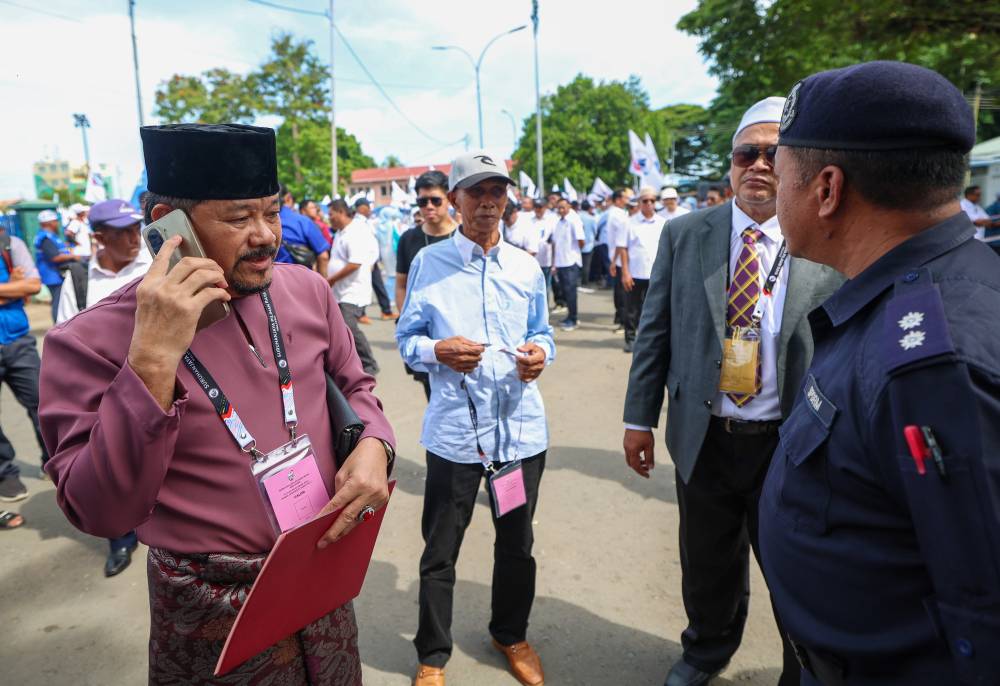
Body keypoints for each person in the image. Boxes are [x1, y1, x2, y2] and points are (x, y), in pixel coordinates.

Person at [39, 123, 395, 684]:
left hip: (318, 571)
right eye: (238, 218)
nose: (266, 236)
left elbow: (356, 385)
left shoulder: (307, 291)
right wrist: (152, 361)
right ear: (168, 226)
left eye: (272, 212)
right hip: (205, 606)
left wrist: (376, 444)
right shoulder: (87, 341)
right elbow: (99, 511)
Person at [760, 60, 1000, 686]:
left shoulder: (932, 362)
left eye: (780, 172)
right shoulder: (925, 295)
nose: (772, 189)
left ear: (827, 189)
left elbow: (984, 618)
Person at [622, 96, 843, 686]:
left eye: (775, 154)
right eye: (748, 152)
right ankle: (705, 649)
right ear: (731, 163)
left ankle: (802, 666)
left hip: (790, 441)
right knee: (707, 561)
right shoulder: (685, 233)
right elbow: (656, 332)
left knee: (795, 566)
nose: (759, 165)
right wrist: (638, 419)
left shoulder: (823, 237)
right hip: (707, 434)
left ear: (795, 166)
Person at [396, 151, 555, 686]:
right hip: (456, 436)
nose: (488, 202)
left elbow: (544, 334)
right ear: (456, 200)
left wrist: (539, 355)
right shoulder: (430, 262)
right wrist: (437, 350)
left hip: (518, 433)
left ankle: (510, 634)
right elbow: (406, 340)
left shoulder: (527, 267)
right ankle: (432, 654)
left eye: (497, 192)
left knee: (517, 544)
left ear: (507, 200)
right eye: (476, 192)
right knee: (441, 549)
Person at [55, 199, 151, 575]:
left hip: (160, 386)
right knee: (115, 466)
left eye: (134, 229)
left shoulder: (154, 266)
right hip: (107, 395)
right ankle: (121, 540)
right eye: (121, 232)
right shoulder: (79, 280)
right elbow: (65, 337)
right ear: (97, 237)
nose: (133, 238)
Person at [395, 170, 458, 400]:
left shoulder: (462, 237)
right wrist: (404, 317)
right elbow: (401, 283)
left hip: (456, 328)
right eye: (422, 201)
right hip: (422, 334)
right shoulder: (408, 239)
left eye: (435, 200)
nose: (428, 206)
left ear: (449, 199)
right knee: (432, 393)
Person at [0, 226, 47, 505]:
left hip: (18, 343)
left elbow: (33, 285)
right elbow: (22, 287)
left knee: (43, 404)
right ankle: (5, 473)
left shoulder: (9, 243)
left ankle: (53, 460)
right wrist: (11, 290)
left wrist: (19, 287)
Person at [328, 198, 380, 376]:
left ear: (341, 212)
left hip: (353, 291)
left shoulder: (354, 232)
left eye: (331, 214)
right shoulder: (342, 233)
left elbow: (354, 263)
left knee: (348, 327)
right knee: (342, 327)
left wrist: (331, 279)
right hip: (341, 292)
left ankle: (369, 364)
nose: (330, 218)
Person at [617, 187, 666, 353]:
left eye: (652, 200)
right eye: (645, 201)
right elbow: (623, 248)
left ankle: (650, 340)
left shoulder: (662, 222)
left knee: (654, 309)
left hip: (656, 274)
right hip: (635, 273)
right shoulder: (629, 222)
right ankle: (630, 339)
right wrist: (625, 272)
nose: (649, 204)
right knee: (631, 309)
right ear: (639, 203)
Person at [354, 198, 397, 320]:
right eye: (368, 207)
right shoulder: (357, 223)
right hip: (365, 261)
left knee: (378, 286)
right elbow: (362, 244)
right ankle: (360, 313)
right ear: (362, 208)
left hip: (372, 261)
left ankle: (386, 311)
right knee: (363, 287)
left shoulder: (368, 222)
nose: (370, 210)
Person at [34, 209, 79, 322]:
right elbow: (54, 257)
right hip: (52, 275)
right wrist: (73, 257)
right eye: (55, 221)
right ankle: (59, 327)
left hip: (56, 274)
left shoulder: (52, 235)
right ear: (49, 223)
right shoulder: (46, 237)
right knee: (58, 303)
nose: (57, 223)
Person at [274, 185, 330, 274]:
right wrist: (323, 283)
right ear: (288, 198)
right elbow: (323, 256)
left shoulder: (260, 222)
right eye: (312, 208)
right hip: (301, 278)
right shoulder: (302, 222)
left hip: (270, 281)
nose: (316, 210)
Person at [551, 197, 585, 331]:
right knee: (565, 292)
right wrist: (554, 263)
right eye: (559, 208)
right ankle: (569, 316)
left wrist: (574, 253)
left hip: (571, 262)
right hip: (561, 262)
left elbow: (581, 240)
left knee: (571, 292)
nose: (561, 210)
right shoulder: (559, 222)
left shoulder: (574, 220)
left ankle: (574, 318)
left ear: (569, 207)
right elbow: (555, 243)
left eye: (563, 207)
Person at [605, 189, 632, 331]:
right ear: (618, 200)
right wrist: (615, 261)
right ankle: (622, 320)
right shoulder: (619, 215)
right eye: (626, 198)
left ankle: (620, 317)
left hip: (617, 257)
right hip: (620, 257)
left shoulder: (616, 213)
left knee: (620, 291)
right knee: (622, 292)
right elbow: (620, 241)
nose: (628, 201)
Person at [578, 199, 597, 287]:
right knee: (586, 264)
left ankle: (577, 280)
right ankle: (584, 282)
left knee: (578, 264)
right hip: (588, 244)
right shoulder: (591, 218)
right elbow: (595, 231)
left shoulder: (577, 216)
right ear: (589, 208)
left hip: (577, 244)